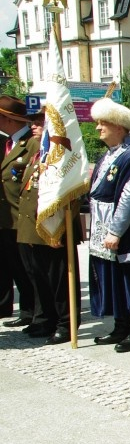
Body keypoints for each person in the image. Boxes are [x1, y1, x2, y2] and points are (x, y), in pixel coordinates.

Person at [87, 98, 130, 352]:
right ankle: (121, 326)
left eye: (103, 124)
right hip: (103, 228)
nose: (98, 128)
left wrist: (115, 230)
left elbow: (129, 196)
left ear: (119, 127)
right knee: (114, 280)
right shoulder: (108, 155)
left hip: (125, 232)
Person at [16, 110, 82, 345]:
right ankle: (48, 319)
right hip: (36, 226)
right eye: (32, 122)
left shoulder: (62, 154)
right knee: (40, 277)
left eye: (39, 123)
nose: (33, 126)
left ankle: (65, 323)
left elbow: (71, 193)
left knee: (59, 279)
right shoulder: (40, 154)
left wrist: (61, 227)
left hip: (55, 226)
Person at [0, 96, 37, 329]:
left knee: (28, 269)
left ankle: (31, 309)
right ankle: (26, 310)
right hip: (5, 217)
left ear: (8, 119)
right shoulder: (9, 143)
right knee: (13, 266)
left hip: (20, 217)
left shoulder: (30, 143)